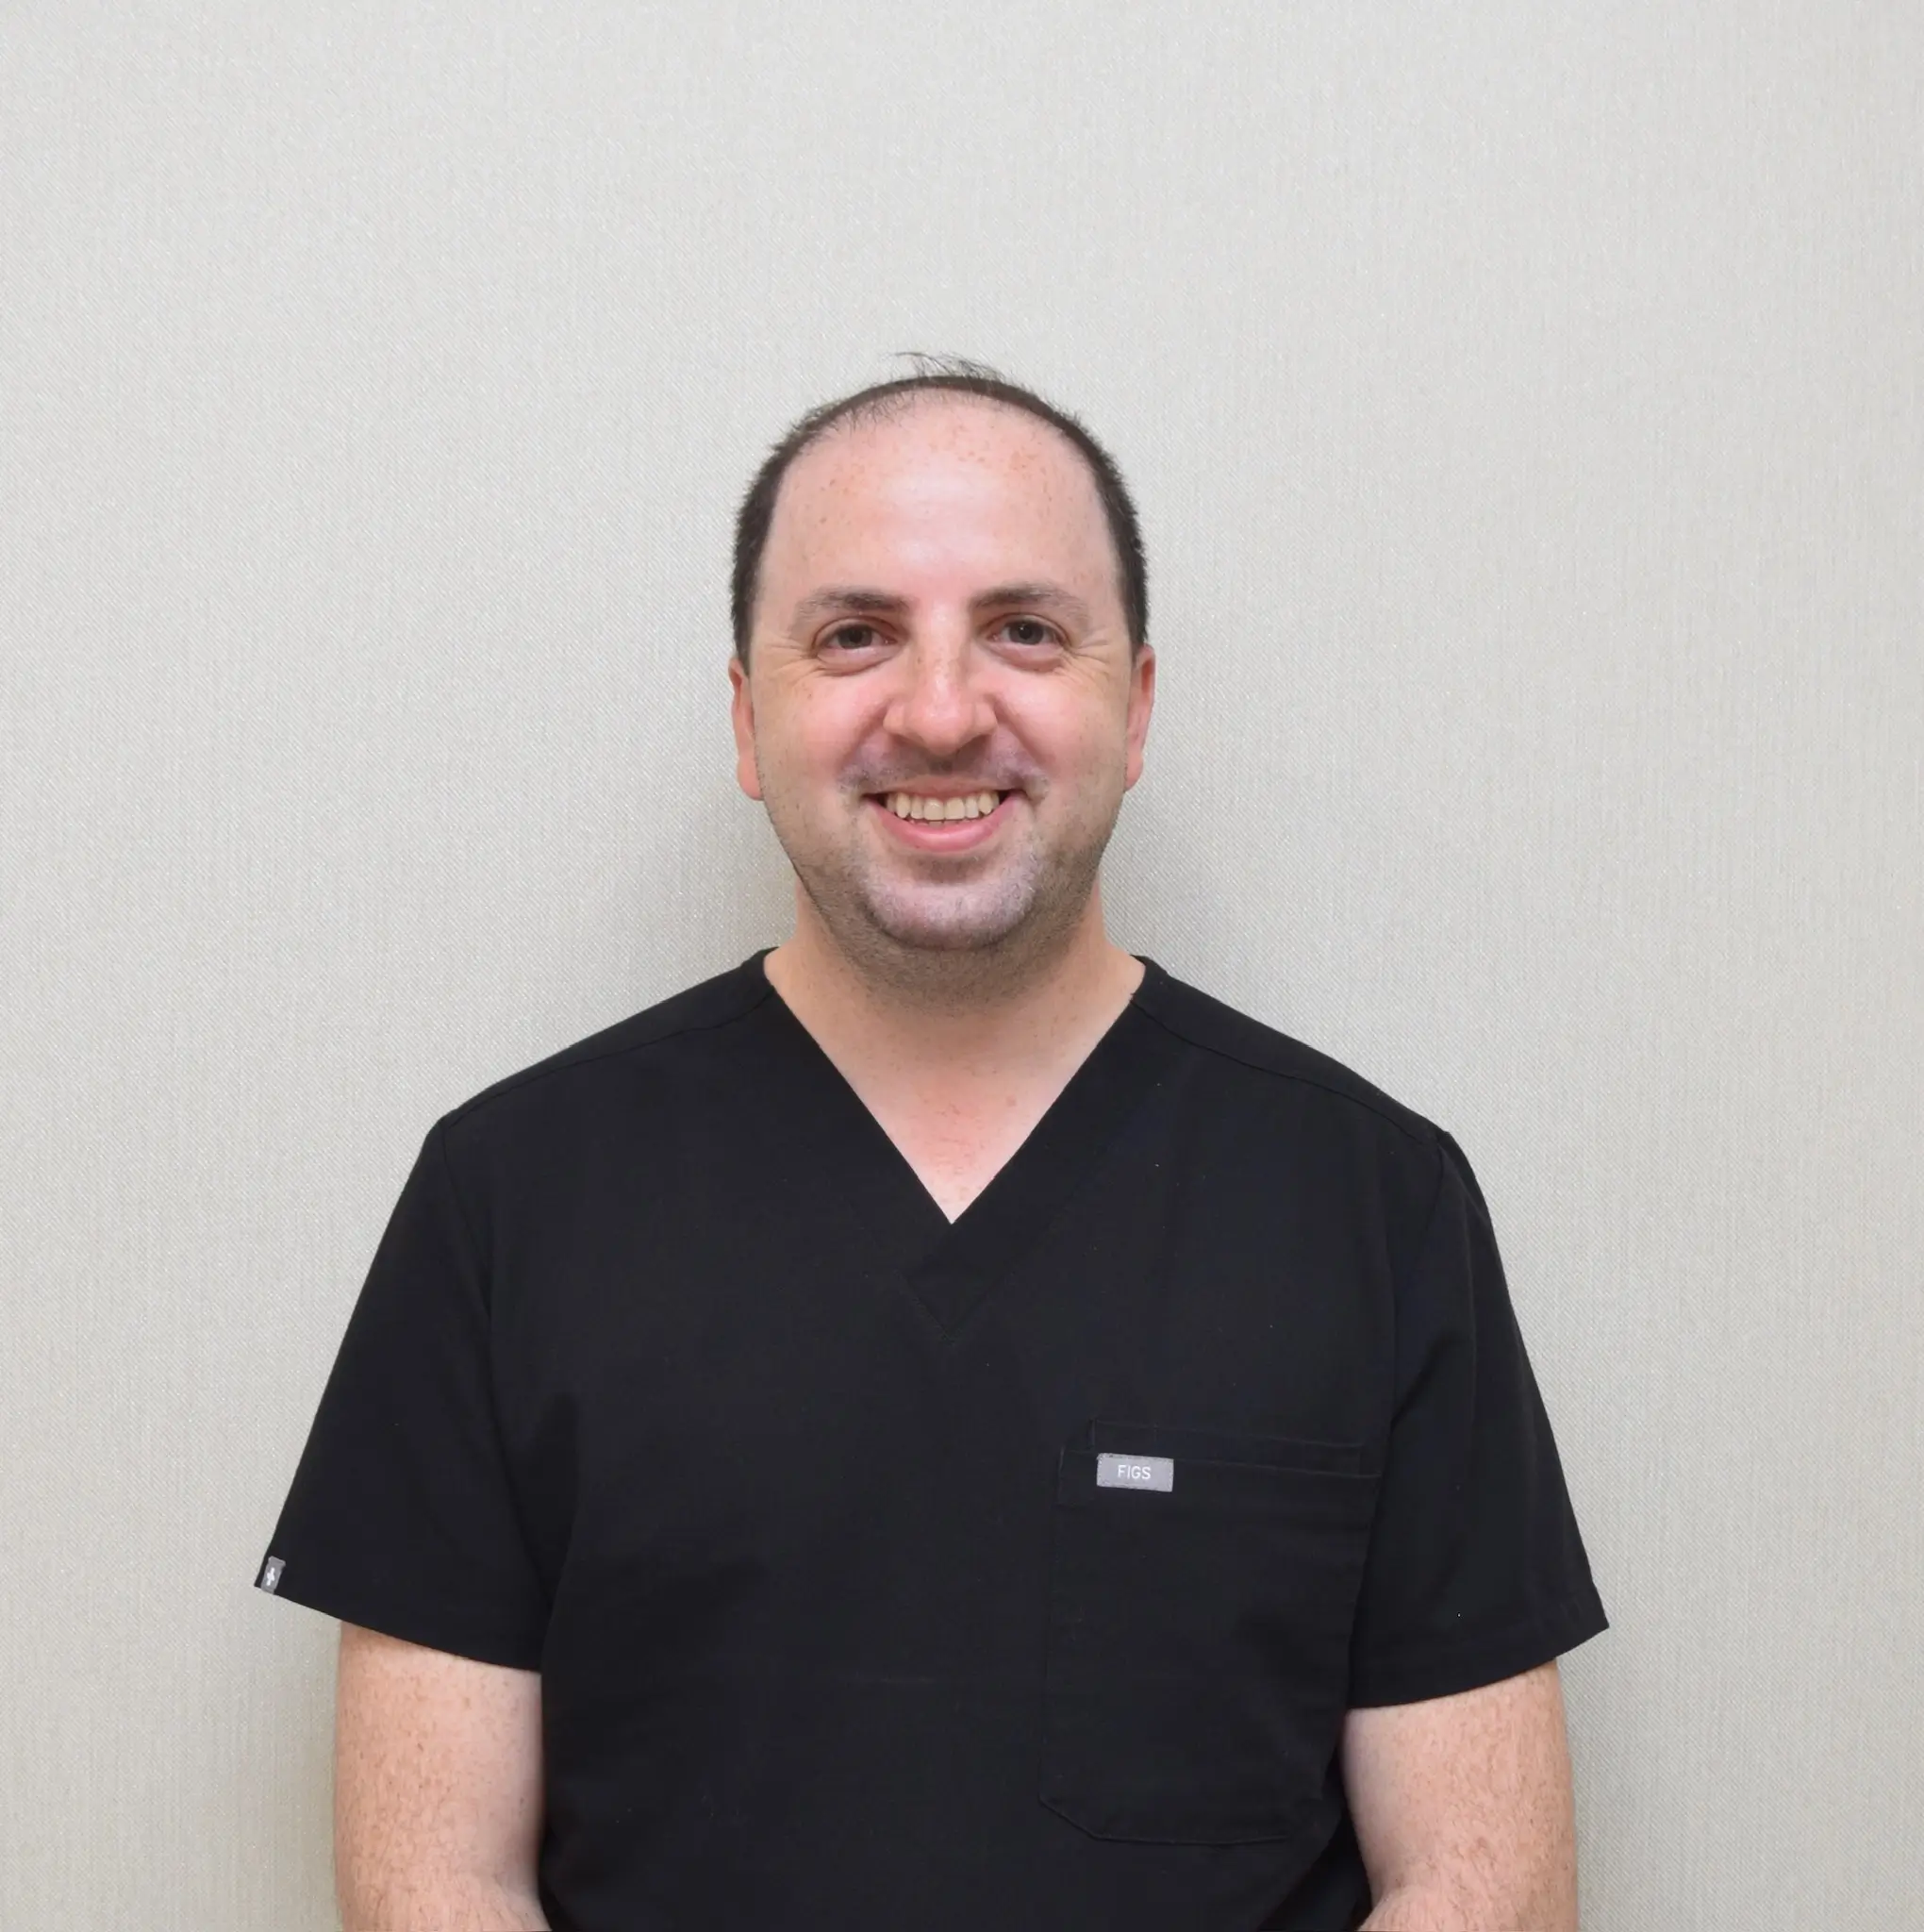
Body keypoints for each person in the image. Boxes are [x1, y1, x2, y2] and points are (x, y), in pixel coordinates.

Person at [257, 359, 1606, 1931]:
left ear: (1135, 709)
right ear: (750, 720)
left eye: (1024, 630)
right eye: (856, 635)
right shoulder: (507, 1203)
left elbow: (1488, 1885)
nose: (945, 711)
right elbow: (432, 1880)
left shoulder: (1372, 1207)